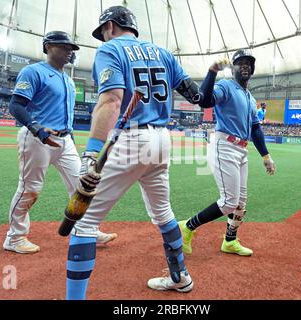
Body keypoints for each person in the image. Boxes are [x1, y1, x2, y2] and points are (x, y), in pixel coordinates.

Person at [65, 5, 211, 299]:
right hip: (162, 140)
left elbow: (110, 101)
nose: (103, 38)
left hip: (131, 139)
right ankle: (180, 278)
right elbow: (197, 97)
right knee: (163, 213)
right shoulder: (164, 53)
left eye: (102, 32)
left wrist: (91, 154)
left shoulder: (110, 50)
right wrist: (212, 75)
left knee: (84, 221)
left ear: (110, 26)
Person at [3, 31, 117, 254]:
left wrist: (71, 141)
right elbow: (15, 106)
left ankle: (87, 230)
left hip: (64, 140)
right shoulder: (33, 71)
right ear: (48, 46)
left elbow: (67, 116)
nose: (69, 52)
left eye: (71, 49)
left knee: (81, 185)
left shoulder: (68, 80)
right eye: (64, 47)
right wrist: (36, 128)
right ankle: (14, 238)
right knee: (30, 188)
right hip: (37, 138)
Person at [178, 49, 276, 257]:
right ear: (233, 68)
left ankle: (230, 241)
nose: (245, 65)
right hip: (224, 145)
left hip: (241, 150)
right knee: (229, 201)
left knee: (241, 202)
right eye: (240, 62)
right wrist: (212, 71)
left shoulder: (250, 98)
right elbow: (205, 101)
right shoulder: (226, 86)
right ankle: (187, 226)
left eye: (249, 62)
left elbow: (255, 128)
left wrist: (266, 156)